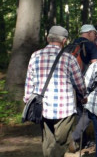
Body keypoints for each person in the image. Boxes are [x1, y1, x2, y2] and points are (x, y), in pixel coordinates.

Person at [24, 25, 88, 156]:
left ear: (48, 38)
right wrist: (84, 95)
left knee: (48, 140)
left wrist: (27, 100)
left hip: (42, 106)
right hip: (65, 107)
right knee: (61, 140)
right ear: (64, 41)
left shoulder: (35, 56)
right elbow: (79, 83)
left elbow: (29, 80)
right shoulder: (69, 58)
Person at [69, 24, 97, 149]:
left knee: (79, 112)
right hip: (85, 83)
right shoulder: (90, 45)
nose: (96, 36)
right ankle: (75, 137)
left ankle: (83, 141)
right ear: (89, 33)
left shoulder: (72, 44)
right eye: (95, 34)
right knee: (88, 112)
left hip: (71, 83)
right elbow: (96, 66)